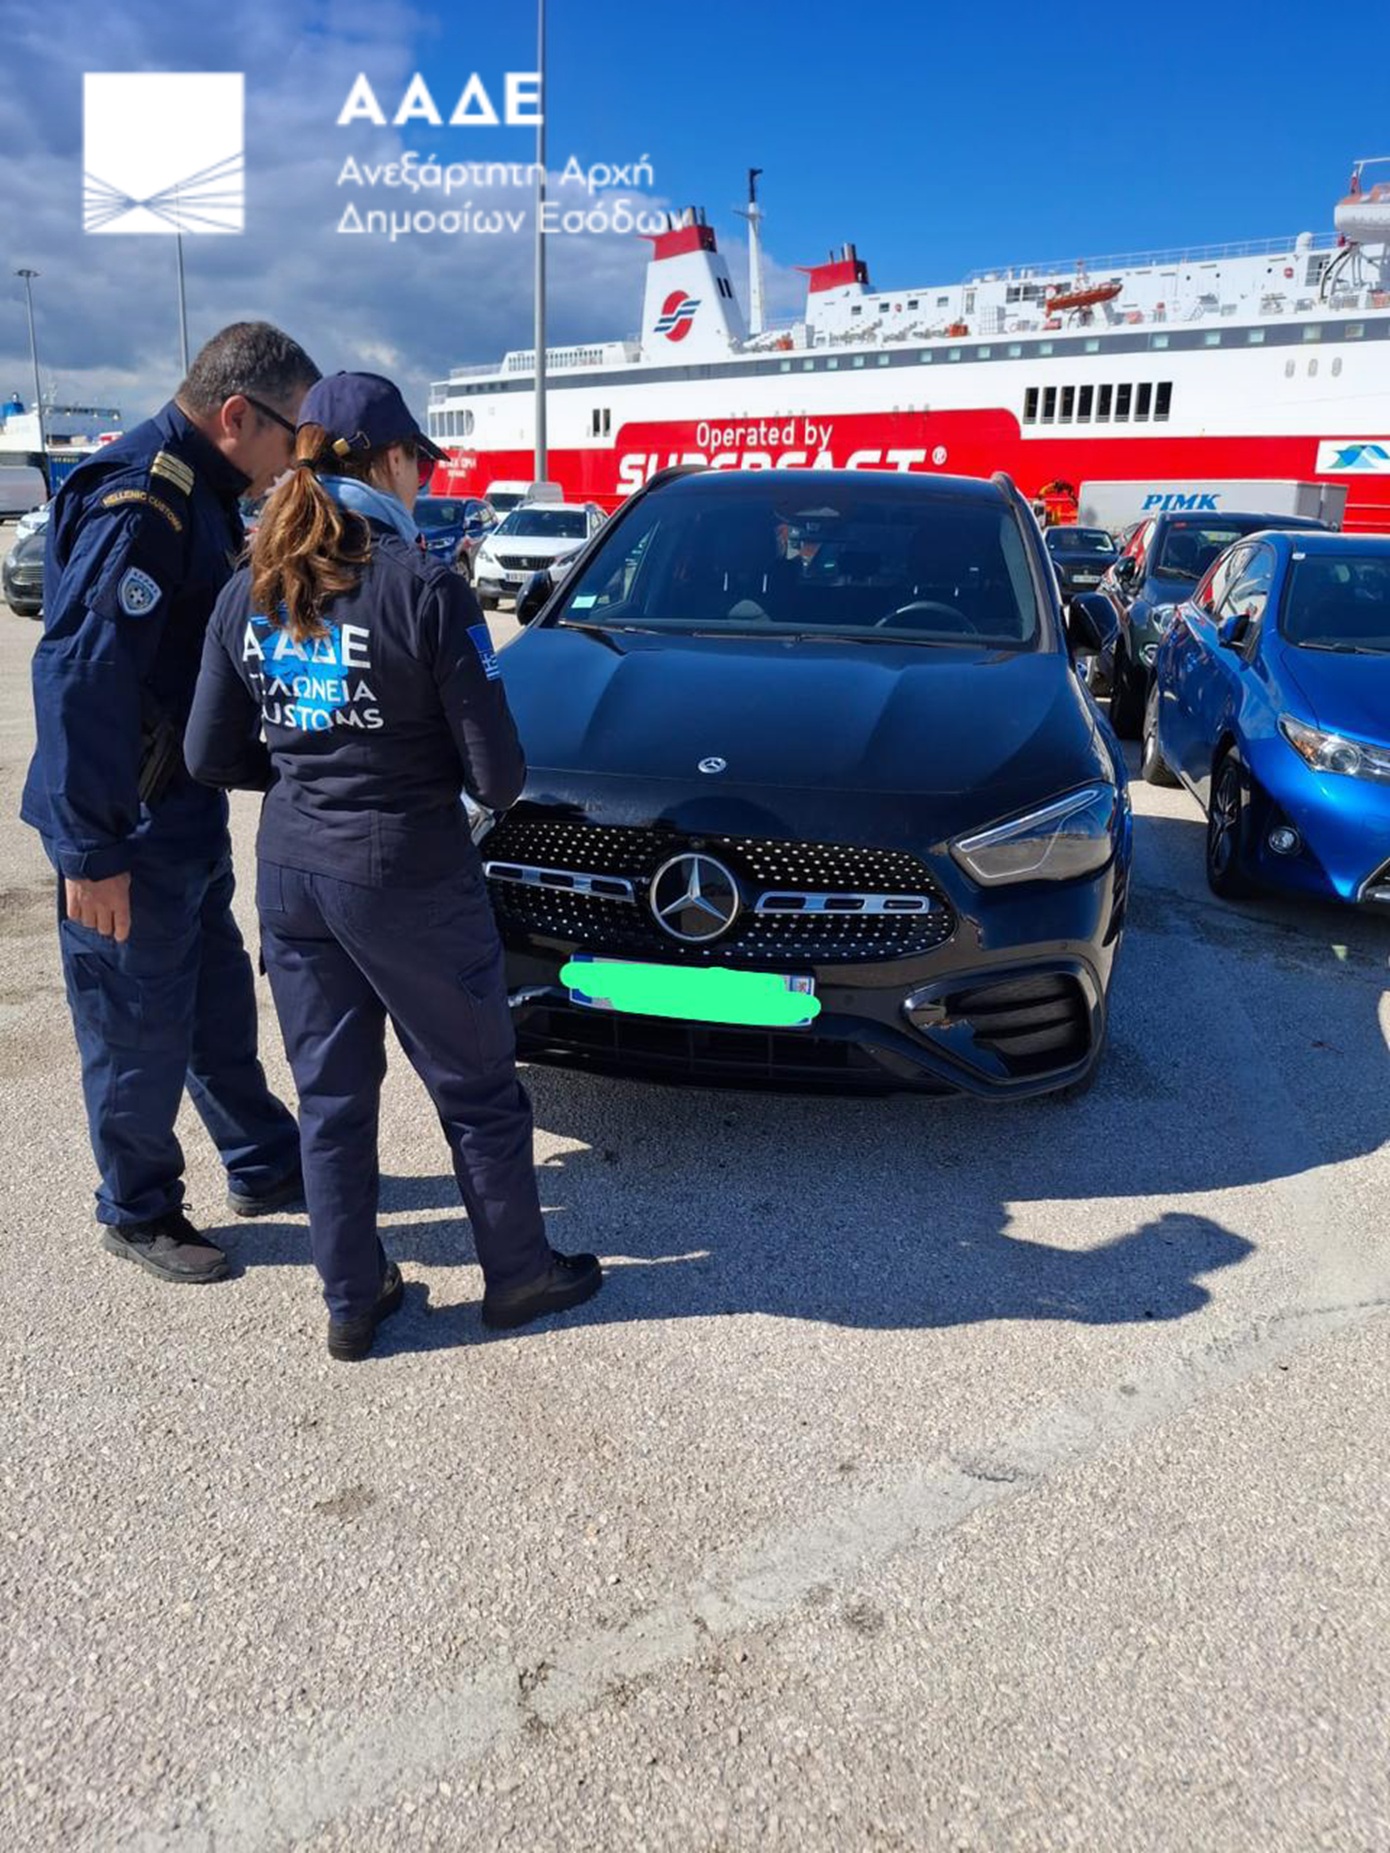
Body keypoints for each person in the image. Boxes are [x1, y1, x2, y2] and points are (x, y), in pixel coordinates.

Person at [184, 371, 602, 1360]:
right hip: (409, 872)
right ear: (390, 461)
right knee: (476, 1086)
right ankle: (518, 1273)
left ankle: (351, 1297)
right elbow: (498, 776)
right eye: (419, 462)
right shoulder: (424, 585)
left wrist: (303, 768)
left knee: (331, 1101)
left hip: (294, 872)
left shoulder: (248, 589)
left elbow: (208, 753)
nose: (424, 480)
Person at [21, 323, 319, 1285]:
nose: (294, 462)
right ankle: (138, 1206)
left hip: (181, 815)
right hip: (129, 825)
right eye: (292, 437)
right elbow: (80, 677)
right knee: (134, 1026)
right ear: (237, 415)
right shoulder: (145, 500)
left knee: (214, 1005)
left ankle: (263, 1158)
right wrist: (90, 852)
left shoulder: (200, 494)